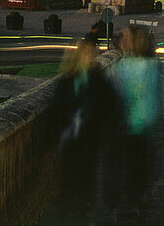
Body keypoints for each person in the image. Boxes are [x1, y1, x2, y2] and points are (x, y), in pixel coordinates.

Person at [53, 39, 122, 223]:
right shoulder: (67, 80)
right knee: (68, 178)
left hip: (89, 138)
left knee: (86, 177)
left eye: (93, 53)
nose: (91, 57)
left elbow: (109, 105)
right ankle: (69, 210)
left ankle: (82, 210)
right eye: (88, 53)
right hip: (69, 139)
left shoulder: (97, 79)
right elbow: (58, 109)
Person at [107, 27, 164, 218]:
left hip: (127, 125)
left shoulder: (122, 65)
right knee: (141, 165)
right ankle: (138, 197)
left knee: (127, 164)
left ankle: (126, 200)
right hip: (144, 126)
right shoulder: (151, 66)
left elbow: (114, 94)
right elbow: (160, 95)